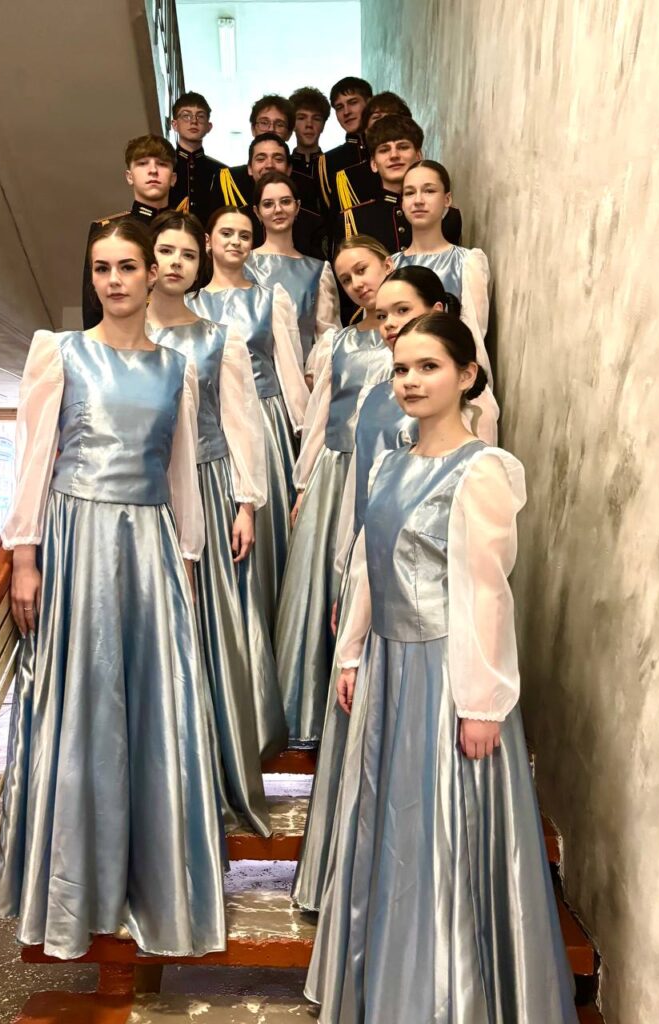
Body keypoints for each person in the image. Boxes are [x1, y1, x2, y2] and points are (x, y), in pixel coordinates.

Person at [306, 313, 578, 1023]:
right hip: (388, 666)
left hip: (444, 676)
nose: (410, 381)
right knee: (388, 829)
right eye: (401, 368)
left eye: (428, 367)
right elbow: (367, 566)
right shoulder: (389, 460)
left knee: (437, 832)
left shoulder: (481, 470)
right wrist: (352, 651)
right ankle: (388, 981)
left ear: (466, 375)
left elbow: (485, 591)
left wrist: (482, 703)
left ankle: (444, 995)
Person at [0, 217, 225, 962]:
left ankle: (152, 888)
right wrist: (24, 556)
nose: (115, 280)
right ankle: (77, 891)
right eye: (102, 268)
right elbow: (34, 459)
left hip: (151, 547)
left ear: (153, 274)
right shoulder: (59, 352)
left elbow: (182, 474)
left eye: (128, 266)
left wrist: (187, 560)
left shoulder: (177, 368)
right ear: (91, 276)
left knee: (154, 713)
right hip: (77, 543)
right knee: (83, 707)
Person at [293, 266, 458, 912]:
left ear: (437, 310)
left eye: (403, 311)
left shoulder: (467, 407)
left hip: (426, 608)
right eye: (383, 315)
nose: (388, 325)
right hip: (370, 582)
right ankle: (350, 885)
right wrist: (347, 574)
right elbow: (360, 506)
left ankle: (413, 897)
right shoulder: (373, 394)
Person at [147, 210, 287, 829]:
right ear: (149, 261)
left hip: (206, 485)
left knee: (208, 626)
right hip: (140, 494)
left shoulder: (217, 338)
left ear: (199, 260)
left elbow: (241, 421)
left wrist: (245, 502)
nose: (176, 263)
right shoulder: (118, 337)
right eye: (166, 252)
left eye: (186, 254)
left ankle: (212, 763)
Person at [274, 236, 394, 745]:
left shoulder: (413, 342)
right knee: (324, 583)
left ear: (388, 264)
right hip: (337, 470)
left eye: (363, 269)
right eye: (346, 279)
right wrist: (304, 483)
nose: (357, 283)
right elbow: (320, 416)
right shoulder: (337, 343)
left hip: (388, 472)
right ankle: (315, 711)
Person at [187, 207, 309, 638]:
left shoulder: (271, 298)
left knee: (265, 524)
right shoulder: (190, 303)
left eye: (243, 234)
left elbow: (290, 369)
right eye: (226, 233)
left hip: (266, 418)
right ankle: (231, 631)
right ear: (208, 242)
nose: (236, 241)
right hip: (211, 422)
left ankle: (268, 634)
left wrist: (302, 433)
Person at [392, 159, 499, 441]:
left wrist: (474, 394)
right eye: (409, 192)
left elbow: (473, 335)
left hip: (451, 391)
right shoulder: (390, 265)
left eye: (429, 191)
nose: (418, 200)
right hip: (401, 388)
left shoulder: (467, 262)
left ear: (447, 199)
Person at [245, 170, 340, 371]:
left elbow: (328, 337)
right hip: (253, 379)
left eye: (285, 202)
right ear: (257, 212)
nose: (278, 209)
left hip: (302, 379)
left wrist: (312, 375)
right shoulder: (243, 265)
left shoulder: (318, 270)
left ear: (297, 207)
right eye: (268, 204)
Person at [81, 134, 176, 329]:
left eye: (162, 164)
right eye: (142, 163)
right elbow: (93, 304)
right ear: (129, 176)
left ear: (173, 178)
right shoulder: (107, 229)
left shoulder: (187, 230)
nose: (153, 170)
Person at [335, 115, 462, 252]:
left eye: (403, 147)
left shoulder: (448, 216)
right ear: (373, 164)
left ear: (418, 156)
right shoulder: (352, 220)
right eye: (384, 150)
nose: (394, 155)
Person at [211, 134, 327, 259]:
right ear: (250, 168)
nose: (269, 165)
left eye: (278, 159)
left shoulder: (313, 224)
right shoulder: (234, 221)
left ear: (289, 169)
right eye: (261, 159)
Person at [210, 95, 295, 211]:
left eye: (279, 124)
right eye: (264, 123)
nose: (271, 129)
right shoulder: (228, 180)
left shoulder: (303, 182)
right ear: (253, 129)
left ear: (289, 133)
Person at [336, 91, 414, 210]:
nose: (384, 124)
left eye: (391, 118)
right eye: (377, 118)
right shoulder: (348, 180)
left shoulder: (428, 173)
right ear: (366, 129)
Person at [169, 91, 228, 225]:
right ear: (175, 124)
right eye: (186, 116)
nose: (194, 121)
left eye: (200, 116)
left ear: (209, 126)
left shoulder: (222, 172)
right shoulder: (164, 167)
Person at [318, 77, 373, 212]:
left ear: (370, 103)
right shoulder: (328, 162)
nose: (346, 112)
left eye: (353, 102)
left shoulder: (389, 149)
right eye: (339, 107)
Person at [289, 86, 331, 216]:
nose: (309, 125)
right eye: (301, 118)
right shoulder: (283, 167)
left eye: (316, 118)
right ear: (292, 124)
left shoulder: (334, 165)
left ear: (323, 125)